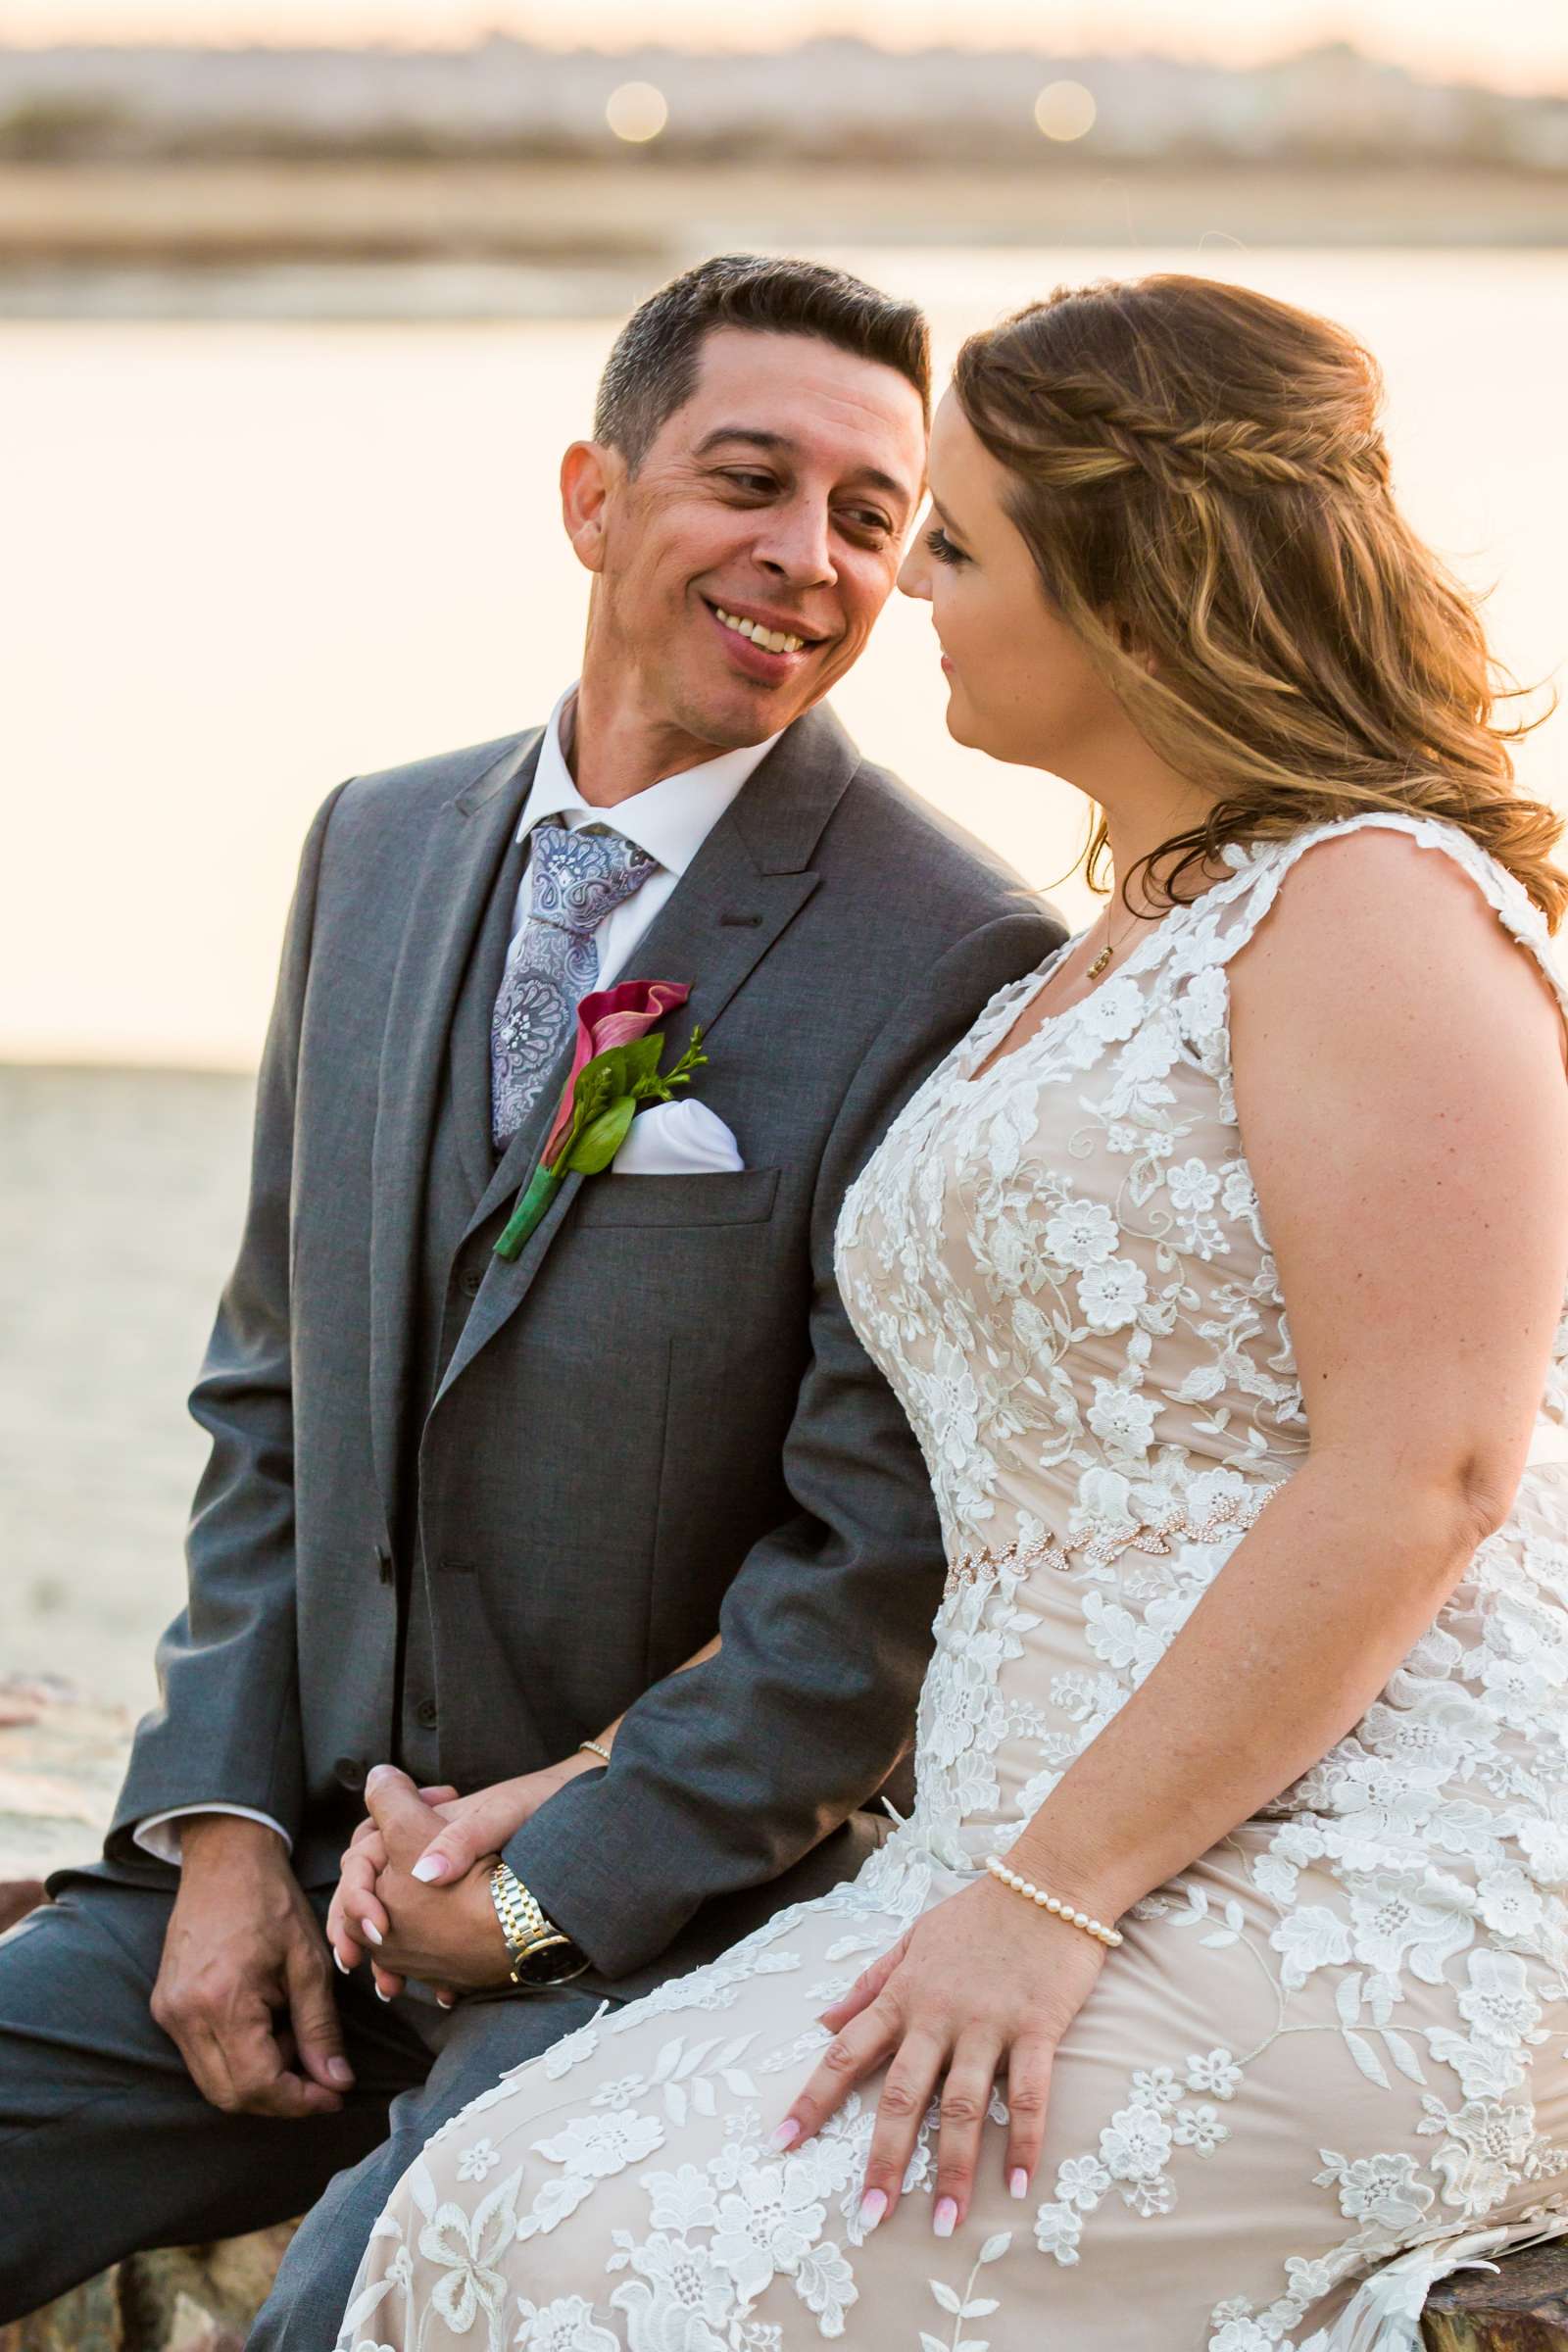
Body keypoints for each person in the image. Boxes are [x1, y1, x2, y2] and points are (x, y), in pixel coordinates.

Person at [337, 272, 1568, 2352]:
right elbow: (1003, 1503)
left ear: (1137, 589)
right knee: (484, 2207)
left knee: (614, 2286)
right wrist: (595, 1779)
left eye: (959, 544)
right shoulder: (1074, 960)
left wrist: (1048, 1898)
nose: (898, 590)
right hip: (1010, 1839)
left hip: (1353, 1867)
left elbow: (1425, 1472)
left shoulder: (1367, 903)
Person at [0, 255, 1063, 2342]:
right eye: (747, 479)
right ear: (591, 494)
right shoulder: (378, 841)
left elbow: (867, 1576)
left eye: (868, 515)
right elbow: (270, 1396)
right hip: (279, 1870)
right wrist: (218, 1833)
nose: (806, 557)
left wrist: (531, 1888)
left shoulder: (953, 953)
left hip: (653, 1925)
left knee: (366, 2308)